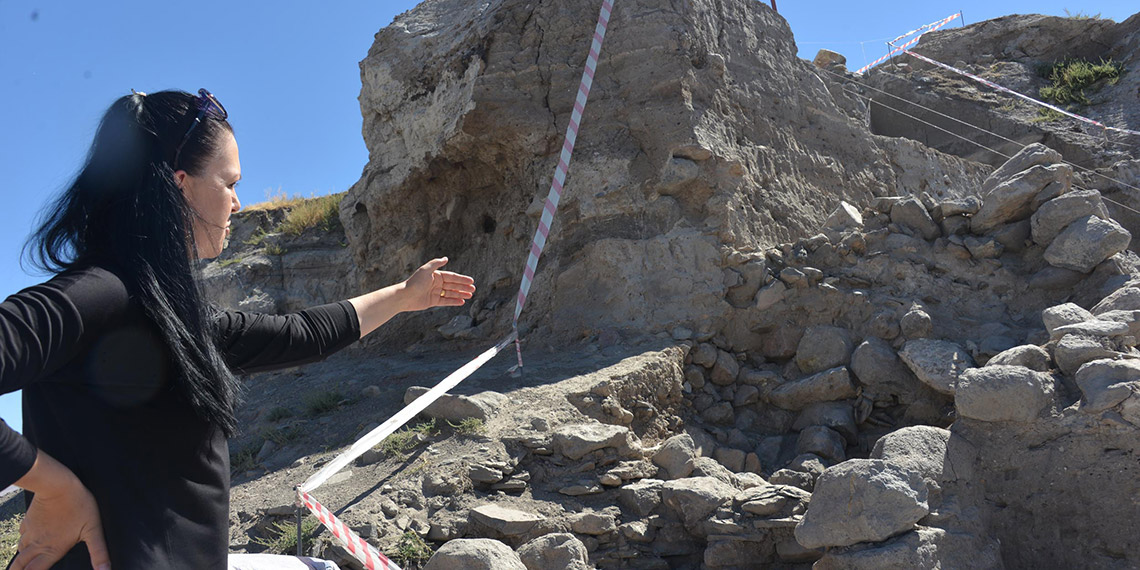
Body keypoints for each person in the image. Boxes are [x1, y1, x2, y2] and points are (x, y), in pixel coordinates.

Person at [0, 89, 476, 569]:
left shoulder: (167, 312)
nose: (237, 201)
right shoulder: (99, 293)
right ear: (181, 186)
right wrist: (54, 488)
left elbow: (300, 333)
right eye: (229, 183)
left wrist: (404, 297)